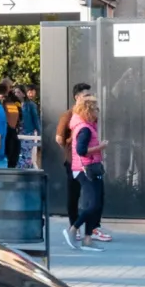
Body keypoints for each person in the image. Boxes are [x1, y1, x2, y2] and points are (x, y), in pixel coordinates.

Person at [61, 93, 106, 250]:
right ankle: (73, 229)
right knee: (93, 204)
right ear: (88, 111)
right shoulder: (84, 129)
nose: (97, 113)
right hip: (86, 168)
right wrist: (100, 147)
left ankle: (87, 238)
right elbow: (81, 150)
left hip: (89, 167)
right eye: (95, 109)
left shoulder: (85, 126)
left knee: (94, 203)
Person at [55, 82, 91, 225]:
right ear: (77, 97)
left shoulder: (90, 114)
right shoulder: (69, 115)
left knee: (92, 194)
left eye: (90, 95)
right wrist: (70, 149)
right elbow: (59, 138)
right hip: (73, 161)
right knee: (74, 193)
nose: (90, 98)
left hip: (89, 160)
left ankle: (92, 226)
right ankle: (73, 224)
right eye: (86, 95)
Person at [17, 85, 43, 169]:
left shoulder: (31, 105)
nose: (16, 94)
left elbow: (36, 120)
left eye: (18, 92)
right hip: (19, 133)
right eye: (15, 92)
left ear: (23, 94)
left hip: (29, 133)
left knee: (29, 155)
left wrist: (40, 134)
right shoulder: (16, 104)